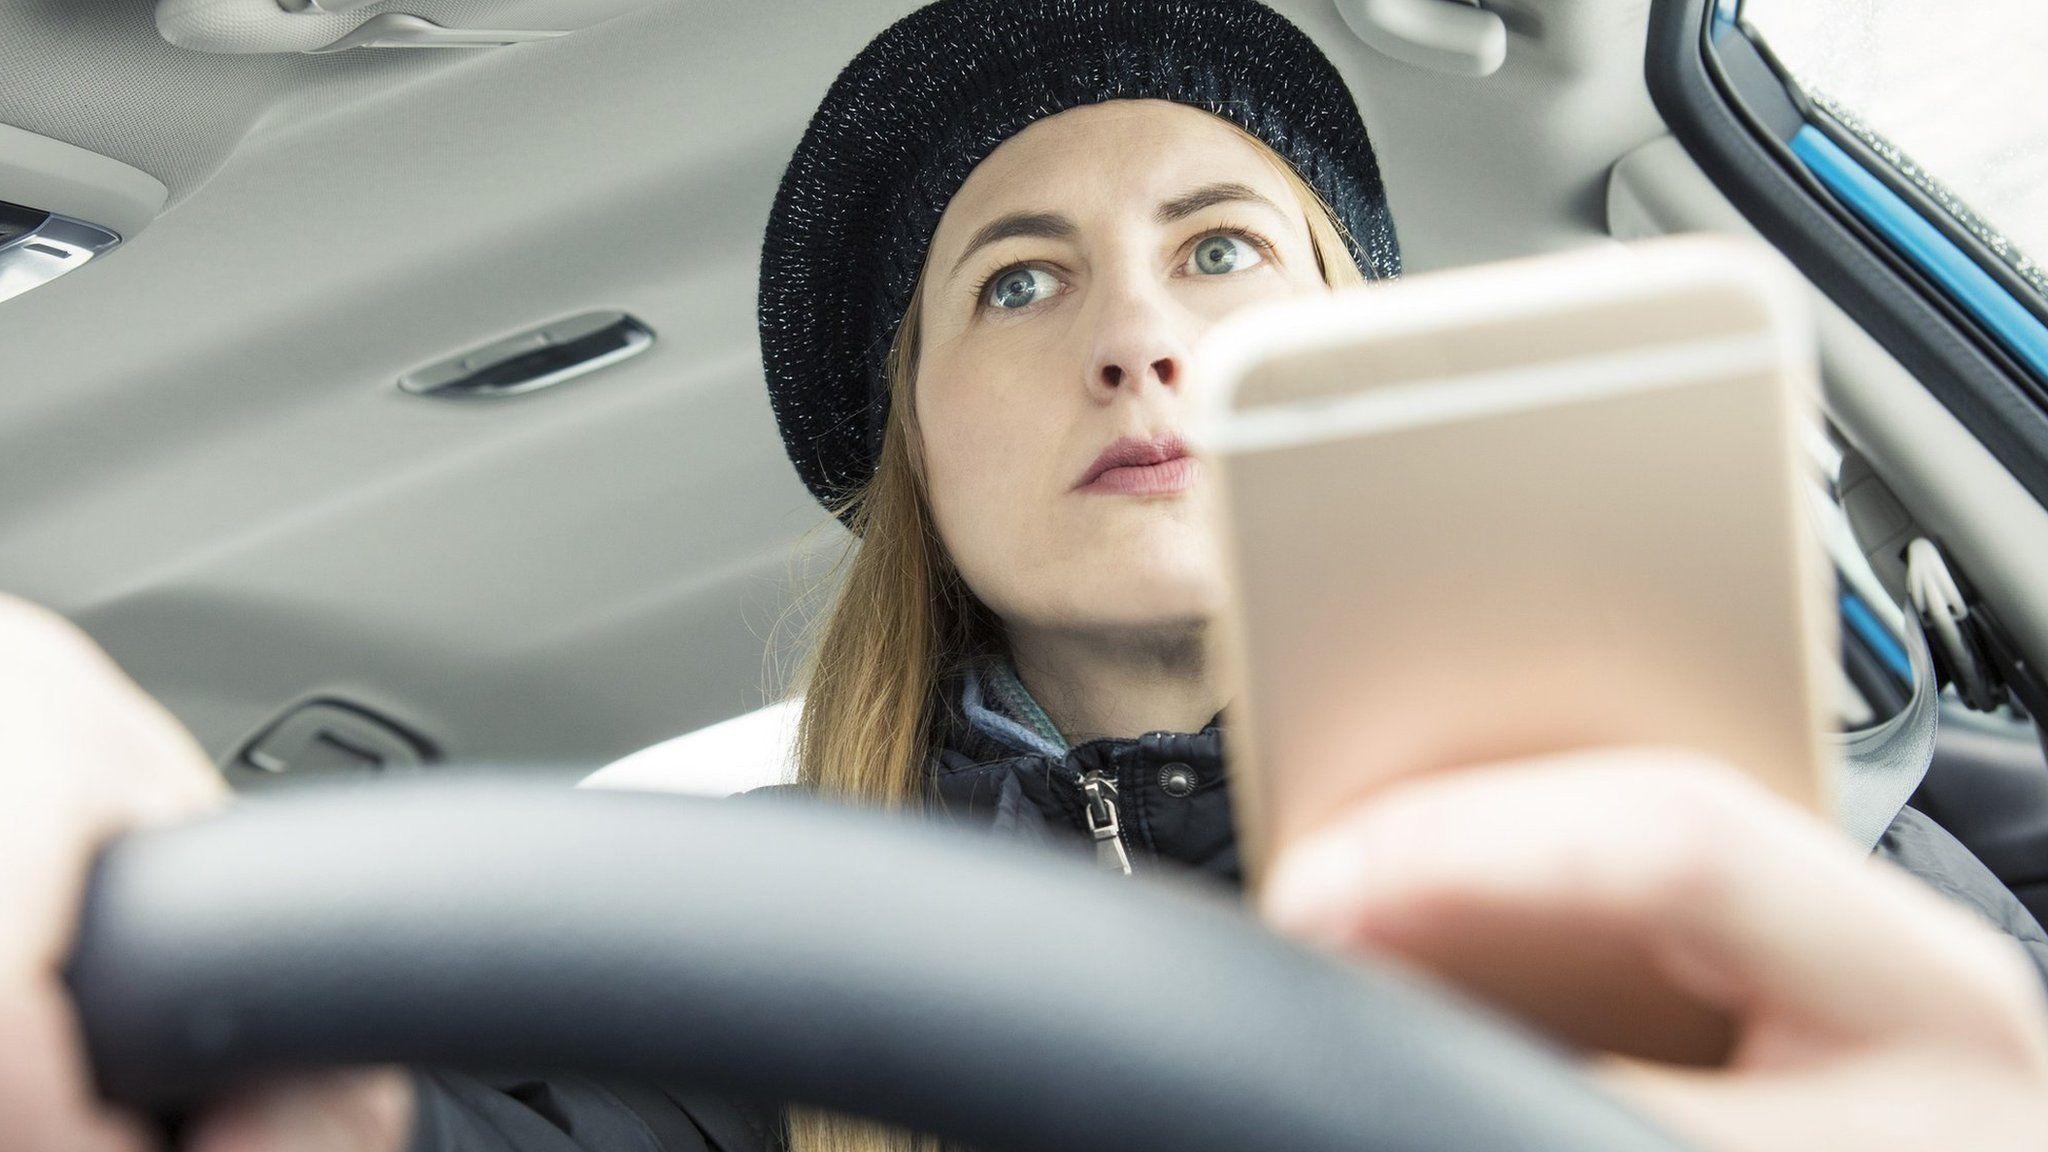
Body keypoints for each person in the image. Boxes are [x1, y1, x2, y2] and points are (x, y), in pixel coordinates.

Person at [7, 2, 2048, 1151]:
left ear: (1346, 329)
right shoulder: (735, 960)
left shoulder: (1805, 795)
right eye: (1017, 277)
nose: (1136, 333)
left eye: (1226, 245)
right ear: (915, 436)